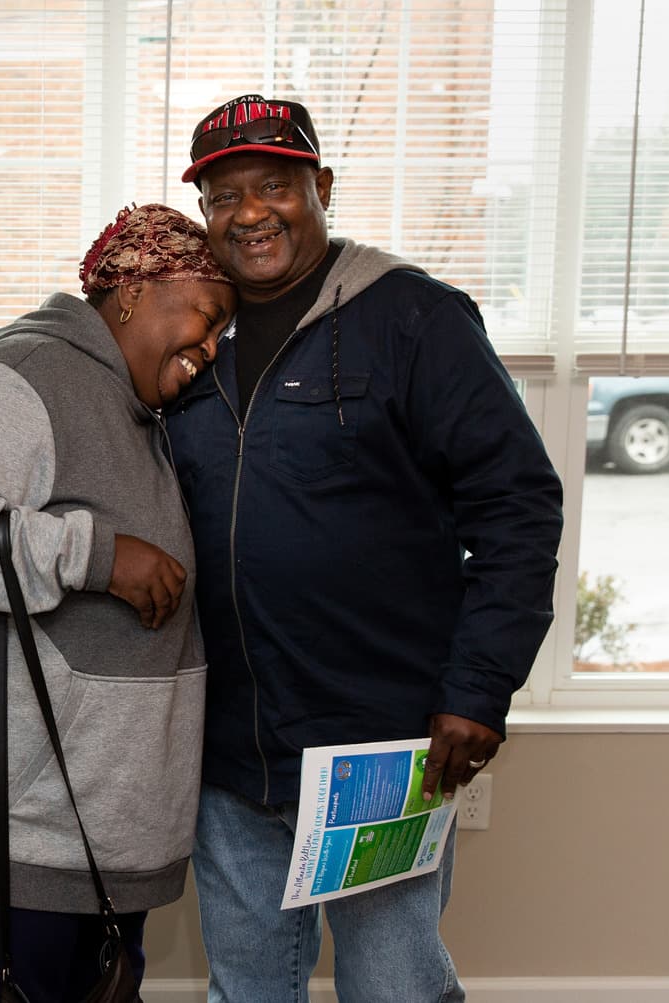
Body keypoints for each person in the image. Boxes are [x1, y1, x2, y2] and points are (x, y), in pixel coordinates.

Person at [164, 94, 564, 1002]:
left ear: (323, 188)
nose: (251, 213)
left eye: (276, 185)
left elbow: (518, 507)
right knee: (249, 990)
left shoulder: (414, 320)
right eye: (225, 196)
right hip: (231, 756)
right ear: (204, 213)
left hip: (378, 754)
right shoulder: (194, 336)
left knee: (394, 987)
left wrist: (478, 688)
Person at [0, 203, 237, 1003]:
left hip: (86, 842)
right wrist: (94, 554)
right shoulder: (26, 375)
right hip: (1, 837)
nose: (209, 349)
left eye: (220, 335)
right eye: (204, 318)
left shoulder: (140, 406)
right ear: (133, 289)